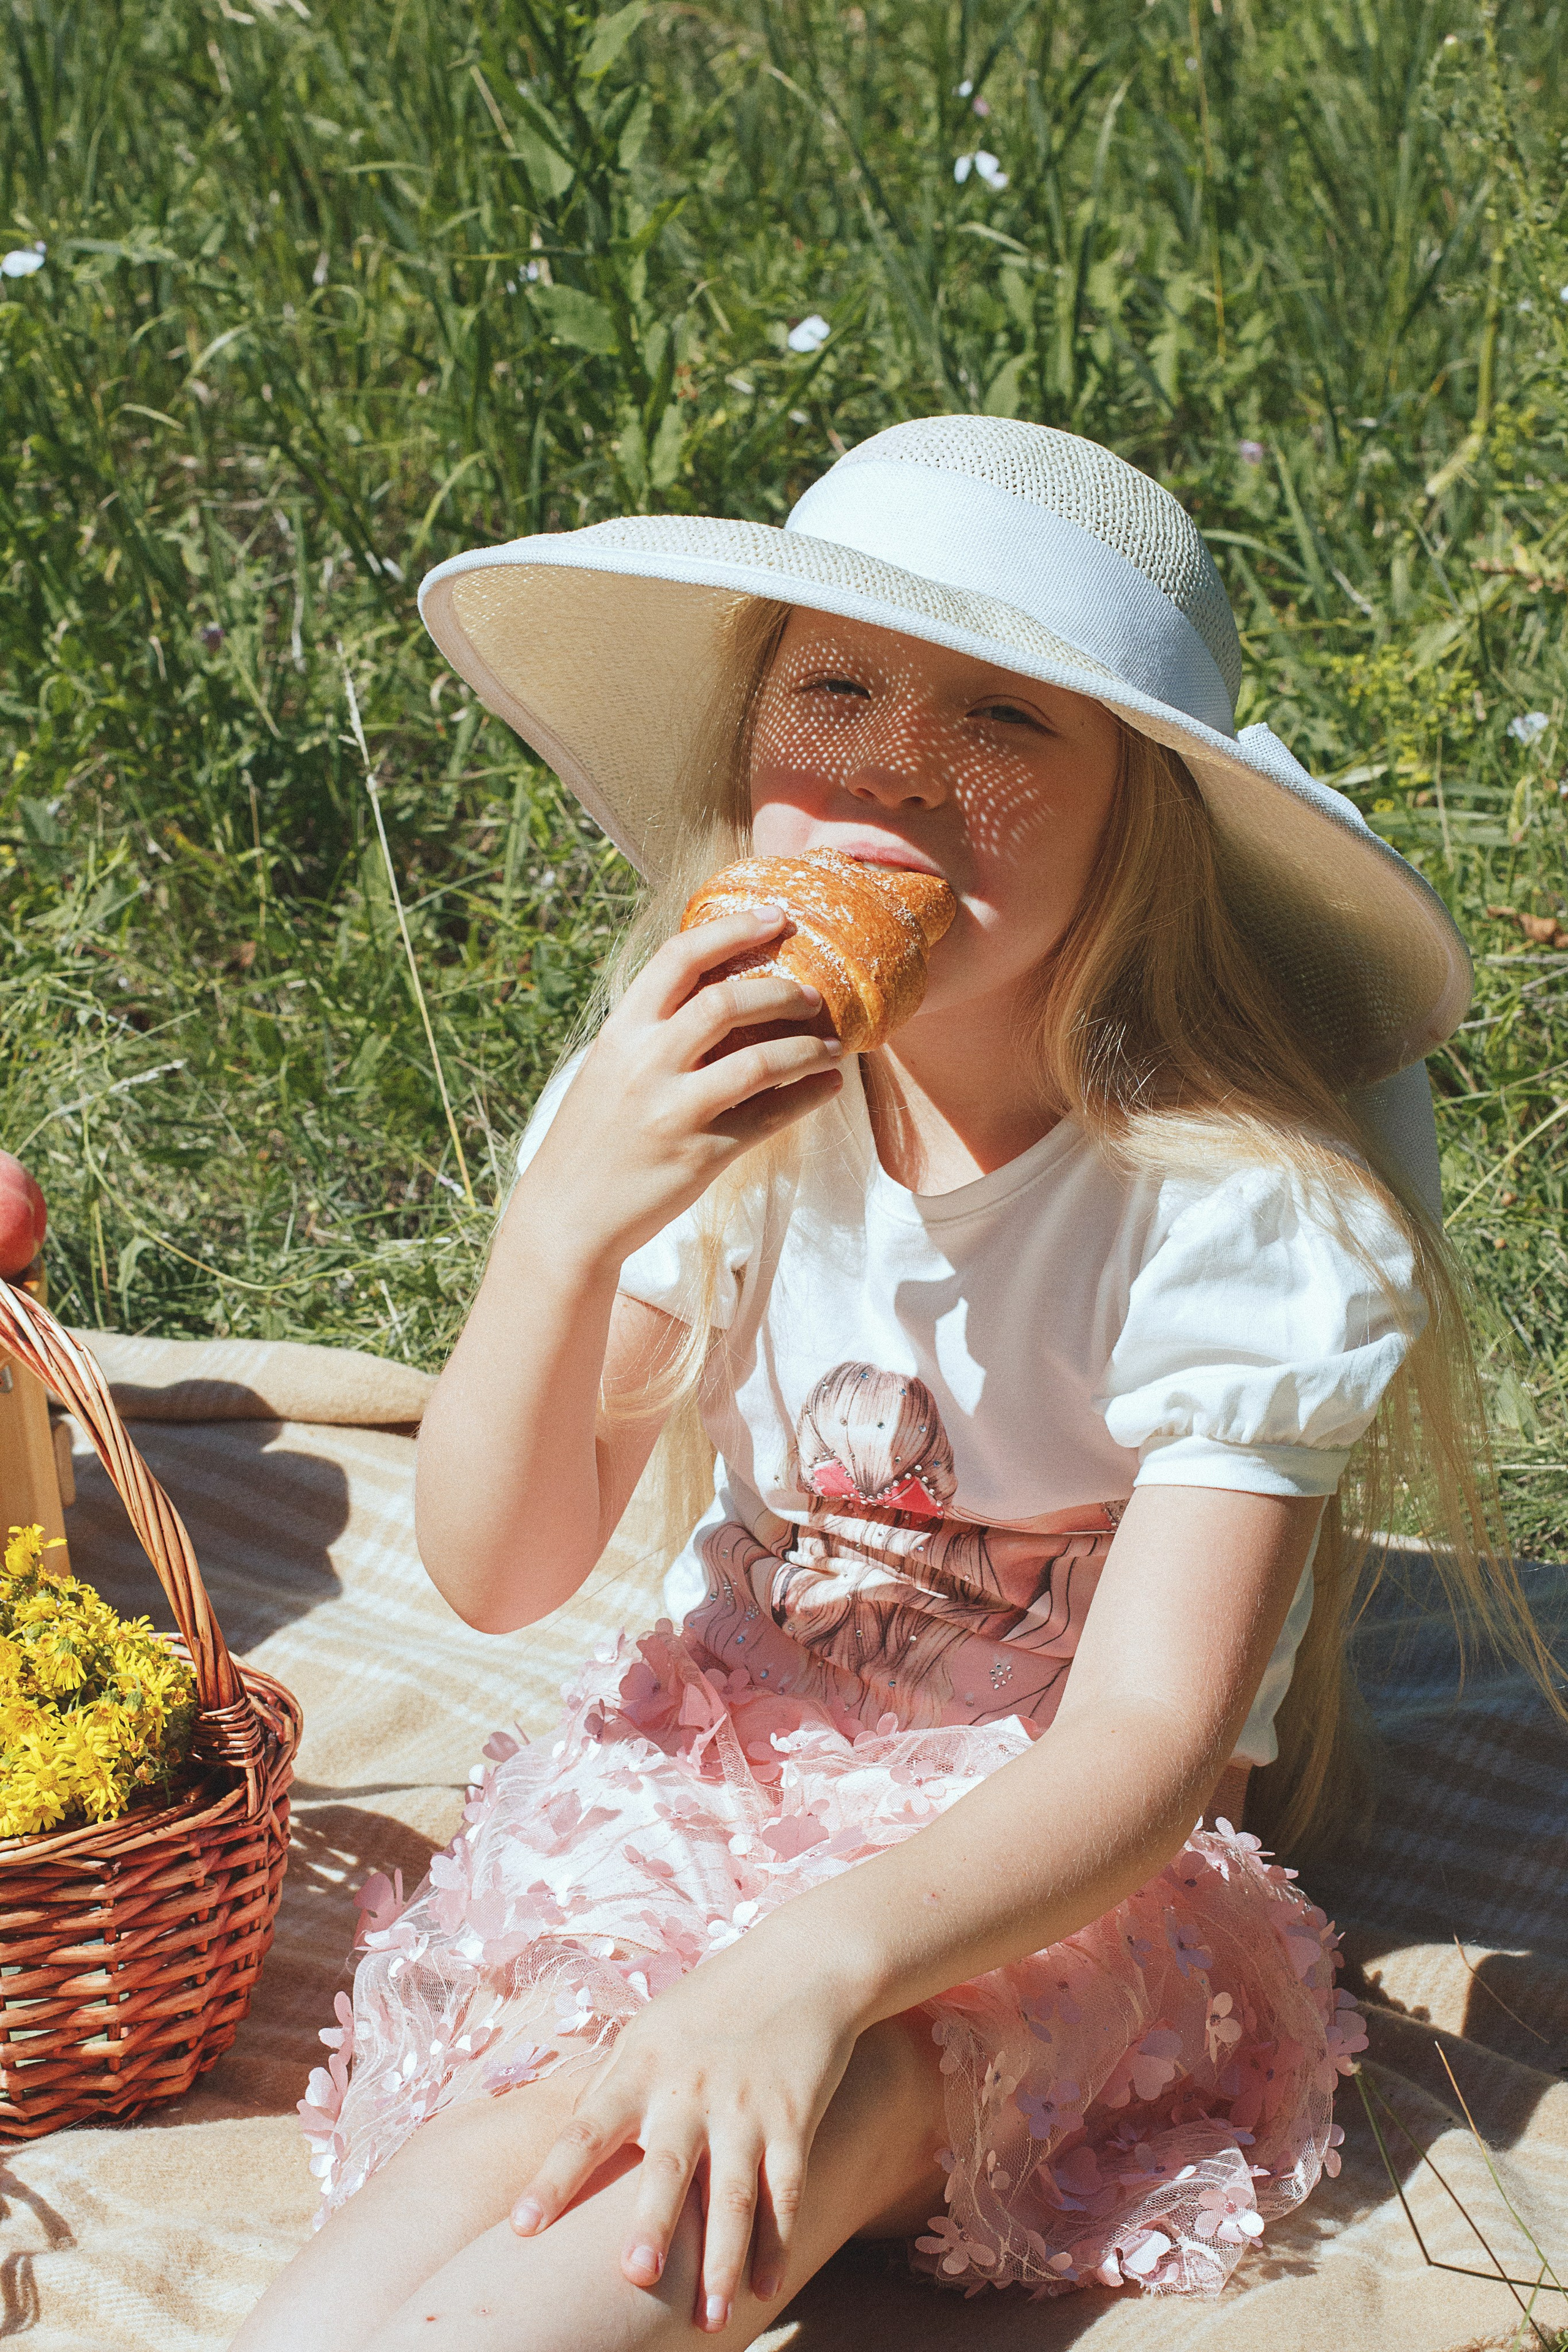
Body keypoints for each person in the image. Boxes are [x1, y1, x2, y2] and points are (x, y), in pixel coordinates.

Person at [233, 418, 1555, 2351]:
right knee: (451, 2203)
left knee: (719, 2173)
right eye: (832, 688)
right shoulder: (714, 1102)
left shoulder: (1231, 1211)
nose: (891, 778)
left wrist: (811, 1963)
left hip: (1052, 1887)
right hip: (718, 1786)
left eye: (1008, 723)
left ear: (1143, 819)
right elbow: (501, 1572)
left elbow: (1147, 1747)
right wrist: (567, 1230)